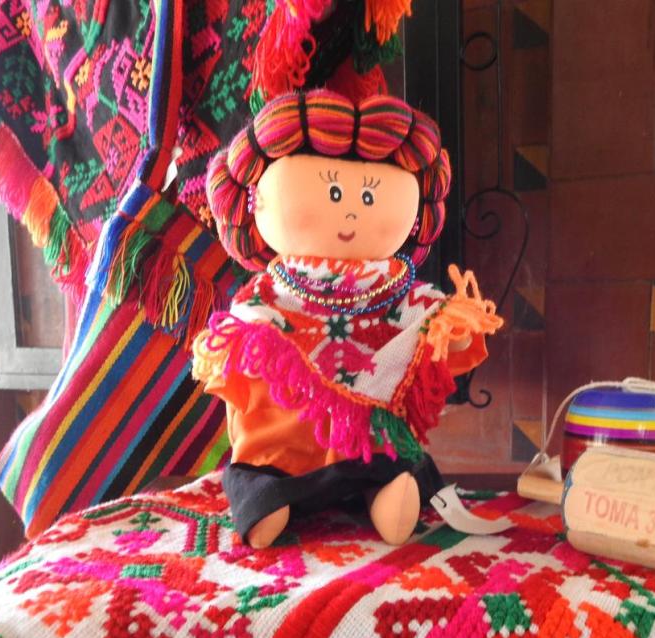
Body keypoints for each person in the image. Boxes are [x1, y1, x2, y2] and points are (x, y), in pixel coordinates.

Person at [192, 89, 502, 548]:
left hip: (369, 443)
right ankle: (268, 497)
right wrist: (254, 346)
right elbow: (240, 336)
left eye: (369, 196)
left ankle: (385, 491)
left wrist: (447, 328)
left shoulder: (394, 287)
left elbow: (434, 320)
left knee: (394, 460)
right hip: (284, 445)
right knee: (264, 458)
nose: (353, 211)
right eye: (334, 192)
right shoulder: (269, 292)